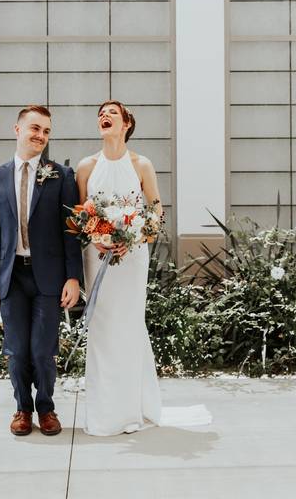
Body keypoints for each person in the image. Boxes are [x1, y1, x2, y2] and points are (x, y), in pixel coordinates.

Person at [76, 100, 212, 436]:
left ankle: (133, 408)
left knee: (129, 326)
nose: (104, 116)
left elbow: (156, 210)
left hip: (133, 257)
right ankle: (105, 413)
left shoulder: (142, 164)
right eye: (100, 114)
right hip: (97, 256)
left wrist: (138, 236)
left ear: (126, 124)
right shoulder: (86, 166)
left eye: (112, 113)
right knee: (103, 328)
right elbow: (81, 212)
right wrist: (95, 235)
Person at [0, 105, 83, 437]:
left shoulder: (60, 176)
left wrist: (73, 277)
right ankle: (23, 408)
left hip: (49, 277)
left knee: (42, 349)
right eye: (35, 129)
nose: (40, 136)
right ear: (18, 129)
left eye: (47, 131)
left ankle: (47, 408)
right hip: (11, 277)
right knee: (16, 350)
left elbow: (71, 231)